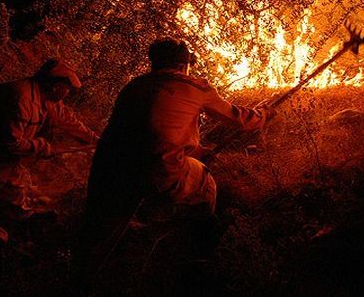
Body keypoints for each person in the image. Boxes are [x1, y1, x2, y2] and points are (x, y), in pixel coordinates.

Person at [79, 38, 272, 273]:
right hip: (157, 172)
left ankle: (81, 279)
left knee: (100, 234)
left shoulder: (134, 86)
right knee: (205, 184)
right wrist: (263, 113)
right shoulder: (197, 87)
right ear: (183, 66)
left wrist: (198, 151)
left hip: (110, 169)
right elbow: (240, 119)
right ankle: (199, 254)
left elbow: (152, 132)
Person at [0, 59, 99, 245]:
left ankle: (22, 221)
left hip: (0, 157)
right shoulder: (19, 99)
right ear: (56, 85)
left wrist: (95, 139)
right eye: (67, 88)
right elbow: (10, 143)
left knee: (14, 186)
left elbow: (69, 120)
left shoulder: (46, 98)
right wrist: (43, 147)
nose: (69, 93)